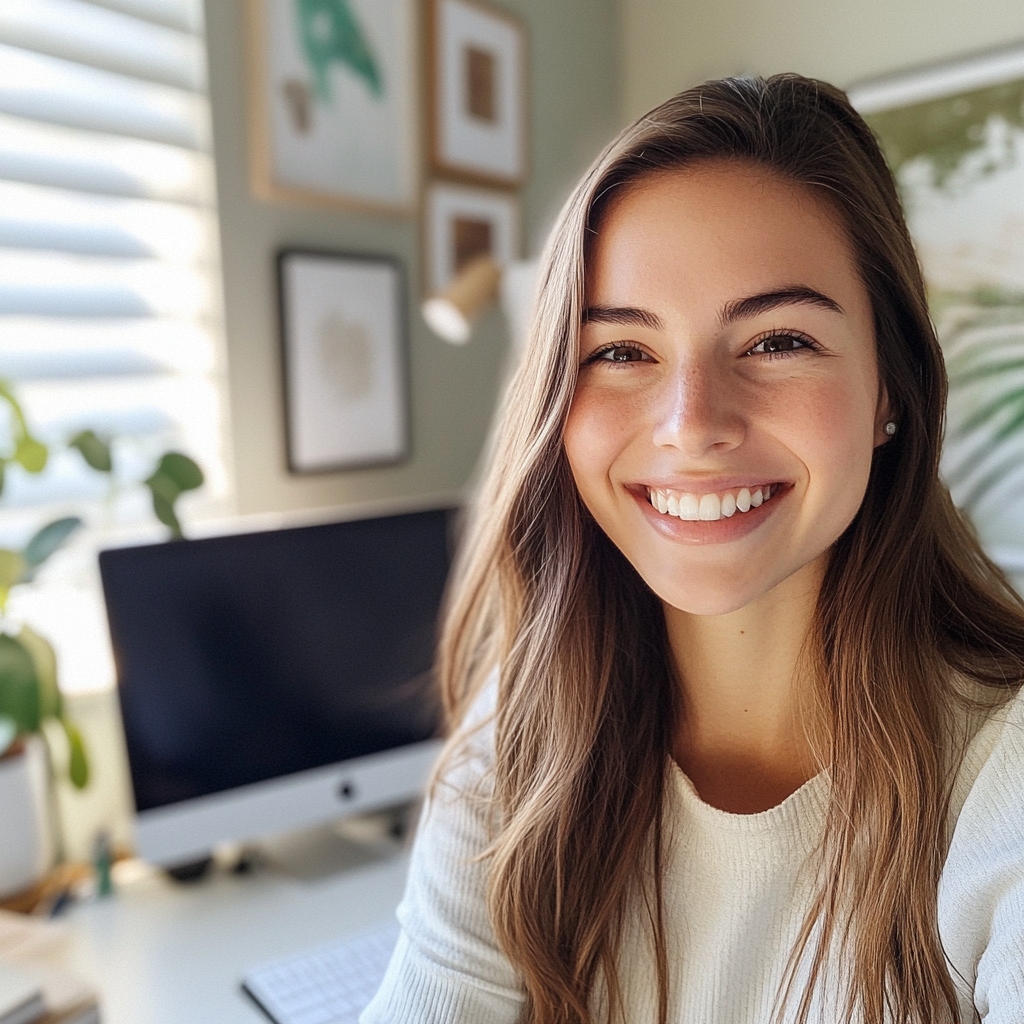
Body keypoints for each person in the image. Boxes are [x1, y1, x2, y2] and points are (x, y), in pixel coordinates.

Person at [362, 74, 1024, 1024]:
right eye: (622, 353)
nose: (692, 424)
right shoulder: (524, 731)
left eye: (778, 340)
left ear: (891, 390)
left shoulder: (1004, 774)